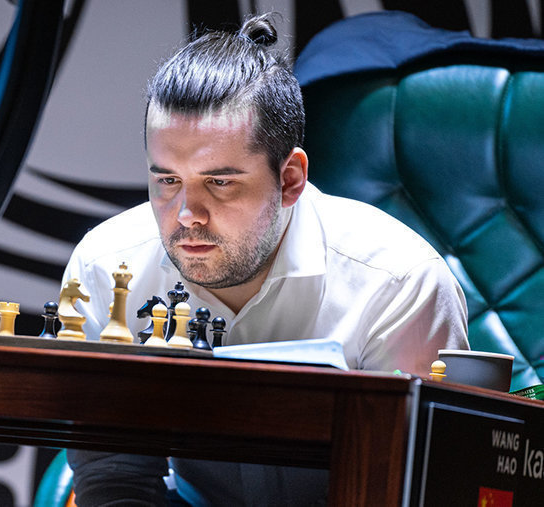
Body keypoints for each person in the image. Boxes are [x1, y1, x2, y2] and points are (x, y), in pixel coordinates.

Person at [61, 13, 469, 506]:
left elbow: (414, 486)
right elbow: (114, 476)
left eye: (220, 182)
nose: (186, 215)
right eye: (167, 181)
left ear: (290, 179)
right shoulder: (106, 267)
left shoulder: (399, 283)